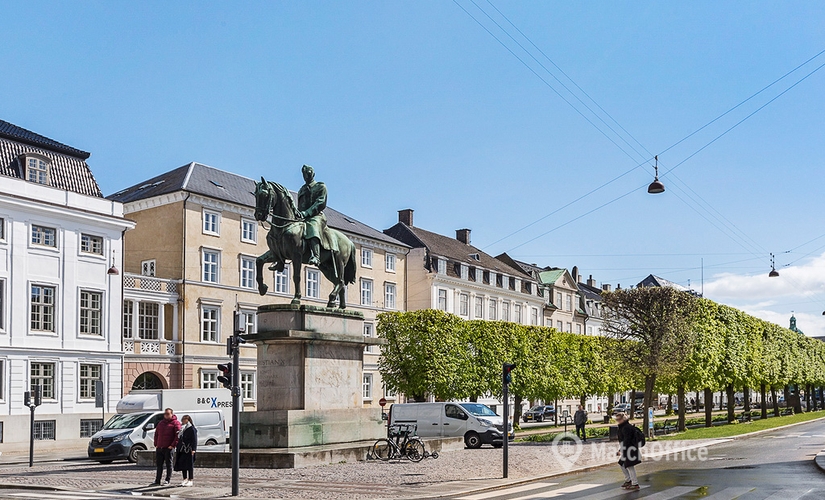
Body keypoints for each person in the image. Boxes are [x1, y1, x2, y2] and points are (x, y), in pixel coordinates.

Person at [297, 164, 329, 266]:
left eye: (308, 174)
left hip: (316, 216)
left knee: (312, 226)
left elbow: (320, 203)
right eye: (305, 174)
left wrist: (307, 213)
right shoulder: (301, 189)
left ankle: (316, 256)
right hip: (303, 217)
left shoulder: (320, 187)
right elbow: (300, 206)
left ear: (313, 174)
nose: (306, 176)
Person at [151, 408, 181, 486]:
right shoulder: (161, 423)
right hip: (160, 447)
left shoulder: (175, 423)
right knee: (159, 465)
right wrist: (156, 444)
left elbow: (178, 435)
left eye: (168, 414)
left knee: (169, 464)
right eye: (165, 414)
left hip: (168, 448)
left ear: (172, 414)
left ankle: (167, 480)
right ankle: (157, 480)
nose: (166, 415)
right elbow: (156, 434)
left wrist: (172, 445)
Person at [615, 412, 644, 490]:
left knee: (630, 466)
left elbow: (626, 440)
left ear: (623, 419)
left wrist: (621, 450)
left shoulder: (626, 427)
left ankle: (635, 483)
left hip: (630, 449)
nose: (617, 421)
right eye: (616, 419)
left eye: (619, 419)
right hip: (628, 449)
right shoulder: (623, 427)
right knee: (622, 464)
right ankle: (628, 480)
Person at [174, 414, 198, 487]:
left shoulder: (192, 429)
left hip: (189, 449)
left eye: (185, 419)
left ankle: (190, 479)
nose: (183, 421)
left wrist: (194, 449)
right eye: (183, 419)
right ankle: (185, 479)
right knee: (183, 464)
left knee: (190, 465)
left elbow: (194, 439)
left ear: (188, 420)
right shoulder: (182, 428)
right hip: (182, 449)